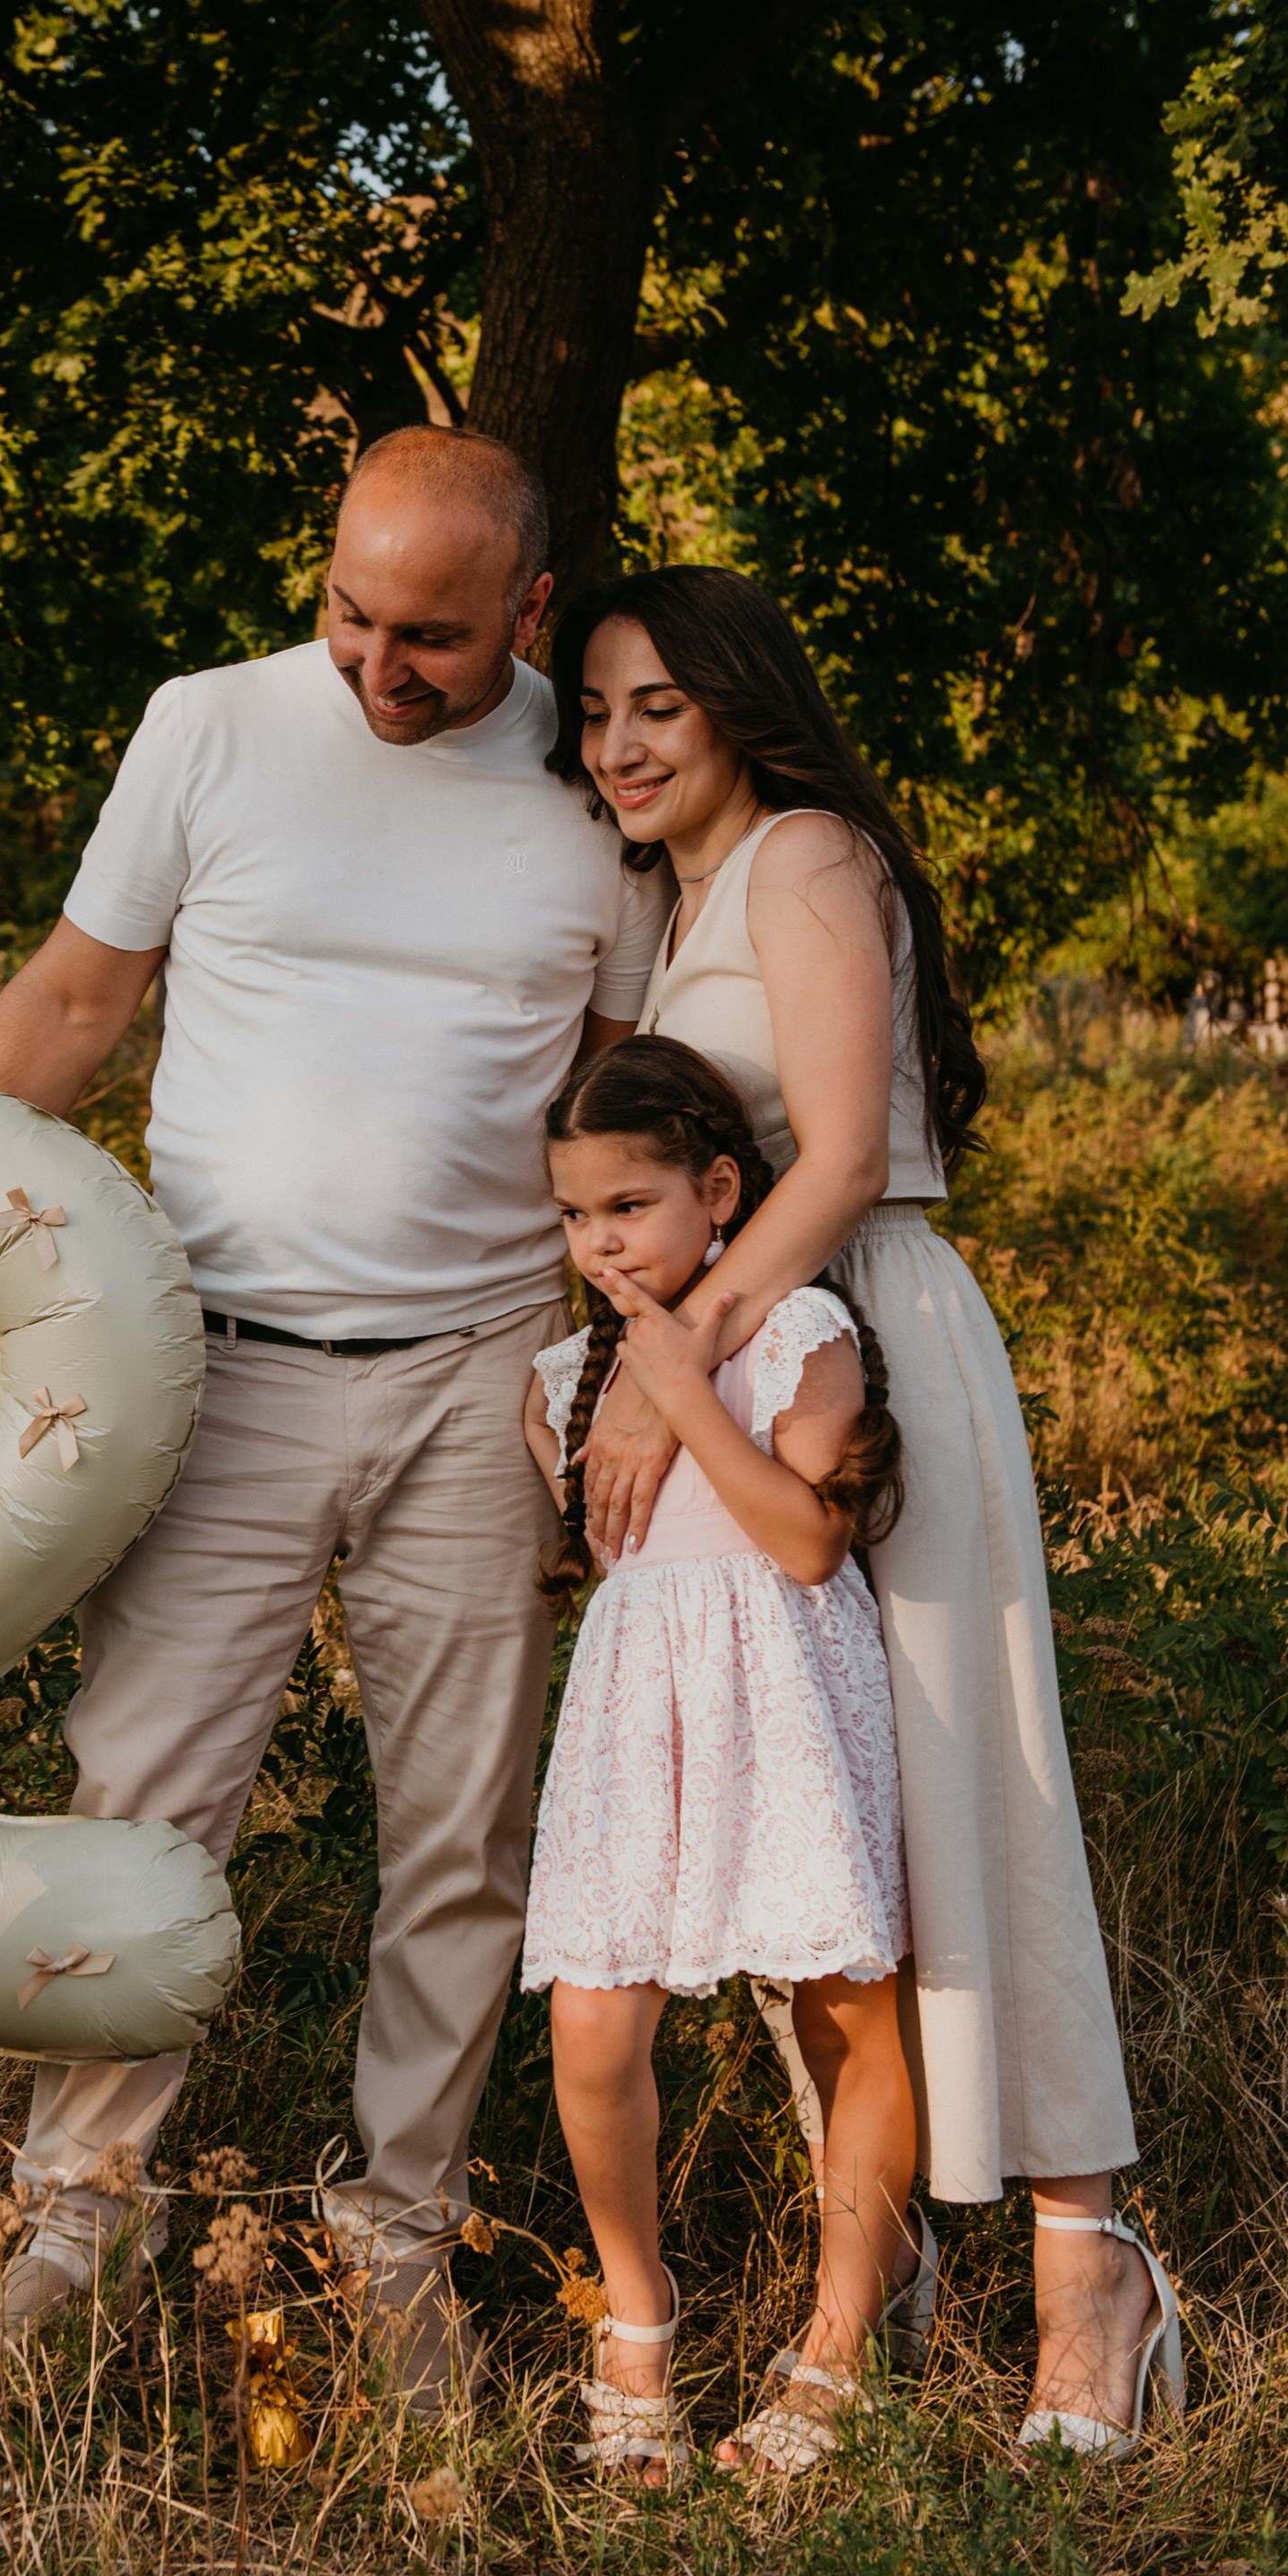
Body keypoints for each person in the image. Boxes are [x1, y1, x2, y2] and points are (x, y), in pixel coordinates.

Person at [0, 424, 664, 2414]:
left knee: (460, 1829)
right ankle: (76, 2223)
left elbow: (618, 1093)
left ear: (528, 610)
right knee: (138, 1811)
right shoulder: (210, 727)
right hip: (214, 1367)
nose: (376, 666)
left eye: (431, 638)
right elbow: (76, 1000)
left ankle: (400, 2231)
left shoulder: (598, 784)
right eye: (348, 614)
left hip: (476, 1375)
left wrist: (630, 1370)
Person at [550, 567, 1183, 2459]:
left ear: (740, 702)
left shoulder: (810, 853)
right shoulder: (676, 904)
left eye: (657, 703)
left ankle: (1088, 2270)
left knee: (965, 1793)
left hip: (859, 1324)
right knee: (820, 1831)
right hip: (737, 1361)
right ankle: (879, 2265)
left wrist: (670, 1372)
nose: (619, 743)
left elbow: (828, 1158)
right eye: (595, 709)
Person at [522, 1037, 918, 2481]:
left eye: (630, 1204)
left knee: (843, 2012)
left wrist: (683, 1386)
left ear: (722, 1192)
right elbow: (609, 1565)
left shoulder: (798, 1331)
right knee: (593, 2023)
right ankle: (638, 2319)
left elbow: (808, 1542)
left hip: (786, 1687)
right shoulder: (561, 1378)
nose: (601, 1242)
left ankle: (840, 2338)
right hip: (641, 1713)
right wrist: (631, 1380)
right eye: (577, 1214)